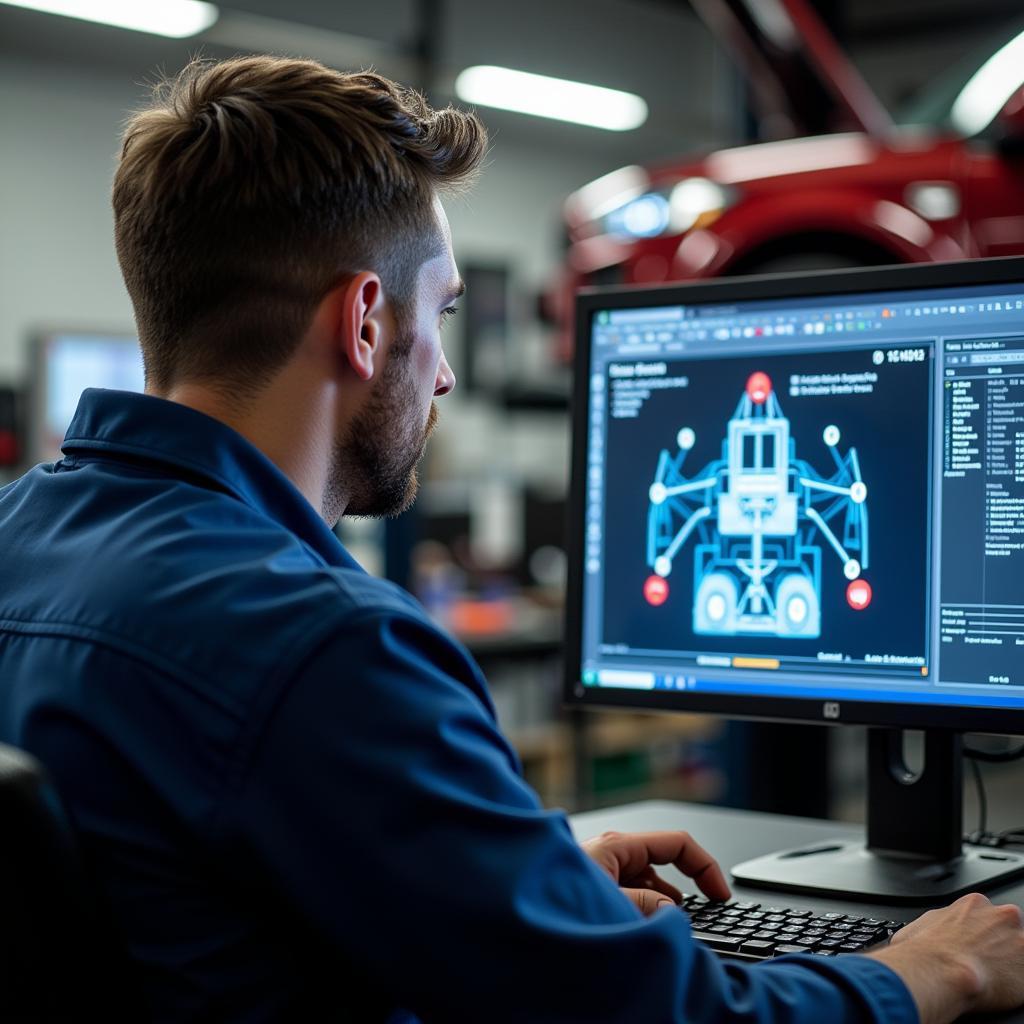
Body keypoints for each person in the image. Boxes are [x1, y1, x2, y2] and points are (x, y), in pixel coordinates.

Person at [0, 54, 1023, 1024]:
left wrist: (511, 888)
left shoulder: (18, 539)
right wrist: (929, 969)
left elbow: (193, 887)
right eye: (440, 312)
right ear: (364, 322)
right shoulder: (324, 649)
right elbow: (661, 1014)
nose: (442, 373)